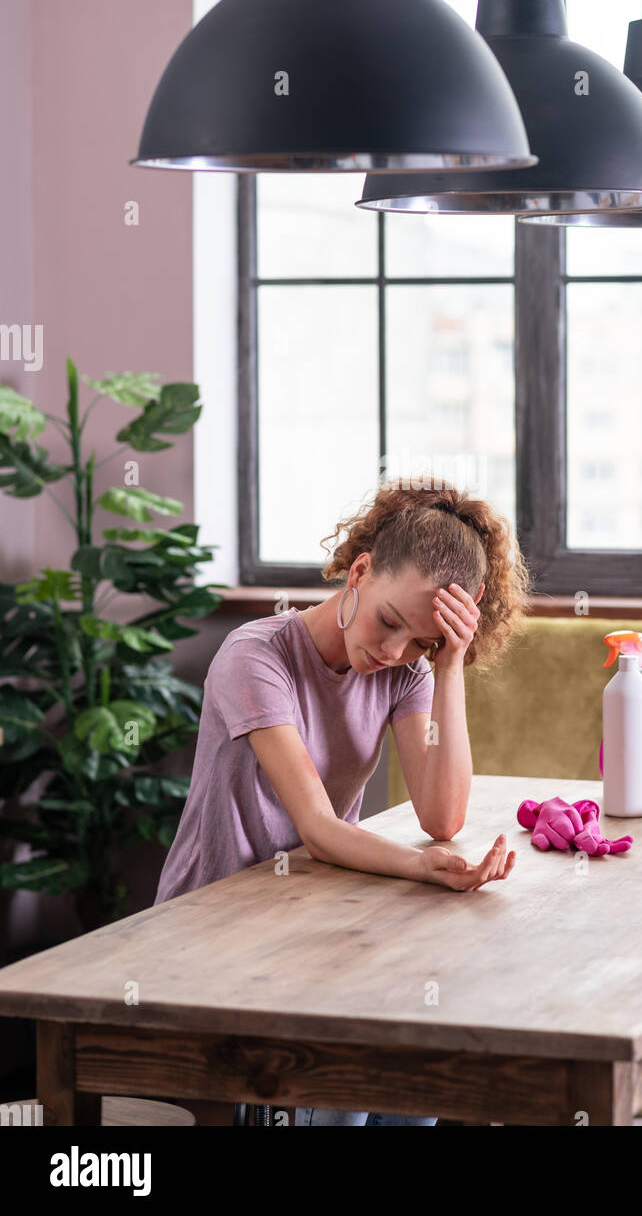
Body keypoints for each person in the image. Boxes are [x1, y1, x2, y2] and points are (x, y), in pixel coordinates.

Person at [153, 477, 531, 1125]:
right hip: (211, 937)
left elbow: (442, 815)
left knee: (414, 1090)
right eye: (389, 621)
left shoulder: (406, 669)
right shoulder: (256, 657)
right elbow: (318, 829)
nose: (391, 652)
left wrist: (447, 667)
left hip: (311, 925)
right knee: (347, 1096)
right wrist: (424, 866)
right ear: (359, 571)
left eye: (420, 640)